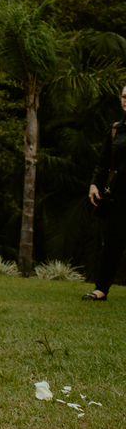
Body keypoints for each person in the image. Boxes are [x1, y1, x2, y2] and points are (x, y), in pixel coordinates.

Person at [84, 85, 126, 299]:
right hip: (118, 195)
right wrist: (94, 184)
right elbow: (103, 162)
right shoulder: (115, 130)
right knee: (112, 242)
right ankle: (101, 290)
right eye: (124, 96)